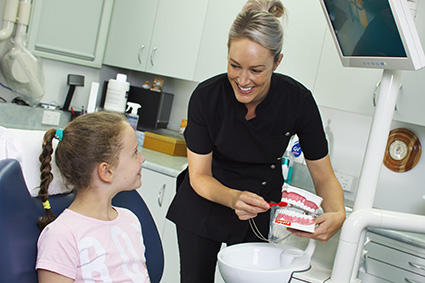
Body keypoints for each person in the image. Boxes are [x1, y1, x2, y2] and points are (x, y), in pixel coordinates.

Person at [166, 0, 346, 282]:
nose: (243, 79)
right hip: (204, 200)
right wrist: (232, 197)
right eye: (234, 65)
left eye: (257, 70)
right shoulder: (206, 97)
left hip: (257, 208)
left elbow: (323, 175)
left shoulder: (297, 101)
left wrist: (337, 212)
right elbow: (199, 175)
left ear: (277, 61)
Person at [35, 111, 150, 283]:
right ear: (106, 171)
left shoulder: (130, 220)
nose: (142, 159)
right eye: (135, 152)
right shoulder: (62, 235)